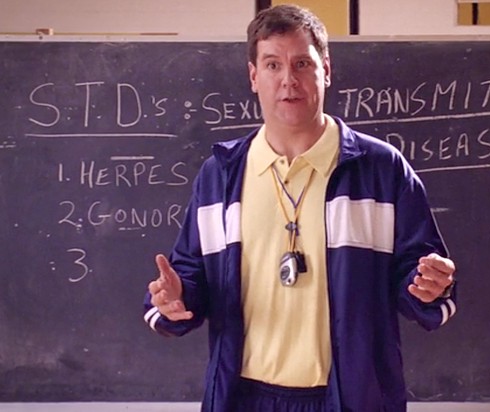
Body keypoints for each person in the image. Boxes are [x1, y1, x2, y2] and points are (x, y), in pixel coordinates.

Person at [143, 4, 457, 412]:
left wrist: (430, 286)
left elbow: (421, 279)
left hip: (350, 398)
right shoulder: (220, 176)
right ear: (253, 76)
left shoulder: (382, 169)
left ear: (326, 69)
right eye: (272, 65)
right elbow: (192, 282)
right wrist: (175, 299)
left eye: (302, 64)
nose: (288, 80)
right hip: (244, 398)